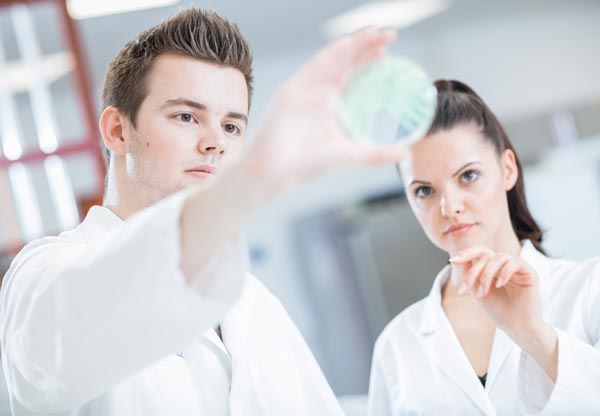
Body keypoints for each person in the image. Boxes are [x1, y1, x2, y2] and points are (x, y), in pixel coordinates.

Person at [0, 8, 407, 416]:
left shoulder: (257, 304)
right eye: (186, 116)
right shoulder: (43, 274)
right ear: (118, 131)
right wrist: (248, 180)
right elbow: (53, 355)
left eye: (232, 126)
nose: (216, 143)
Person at [368, 80, 600, 415]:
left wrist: (533, 335)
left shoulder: (588, 289)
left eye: (468, 176)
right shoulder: (397, 345)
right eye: (424, 191)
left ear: (507, 169)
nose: (449, 206)